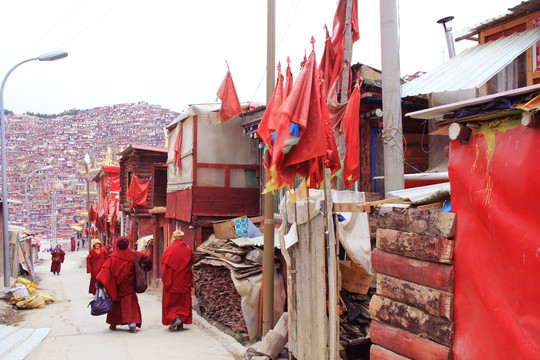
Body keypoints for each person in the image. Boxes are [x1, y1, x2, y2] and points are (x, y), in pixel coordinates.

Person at [96, 236, 152, 333]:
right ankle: (132, 324)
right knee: (130, 304)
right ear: (127, 244)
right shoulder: (134, 254)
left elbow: (105, 270)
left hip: (117, 286)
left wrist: (100, 283)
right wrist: (146, 268)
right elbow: (147, 259)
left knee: (116, 304)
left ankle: (113, 323)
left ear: (117, 245)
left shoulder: (113, 256)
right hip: (129, 285)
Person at [161, 230, 194, 331]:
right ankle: (181, 323)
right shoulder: (188, 249)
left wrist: (165, 280)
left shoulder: (168, 250)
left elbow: (164, 264)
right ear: (182, 238)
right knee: (183, 302)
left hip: (171, 280)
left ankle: (175, 318)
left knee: (171, 302)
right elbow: (192, 261)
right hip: (184, 280)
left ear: (173, 238)